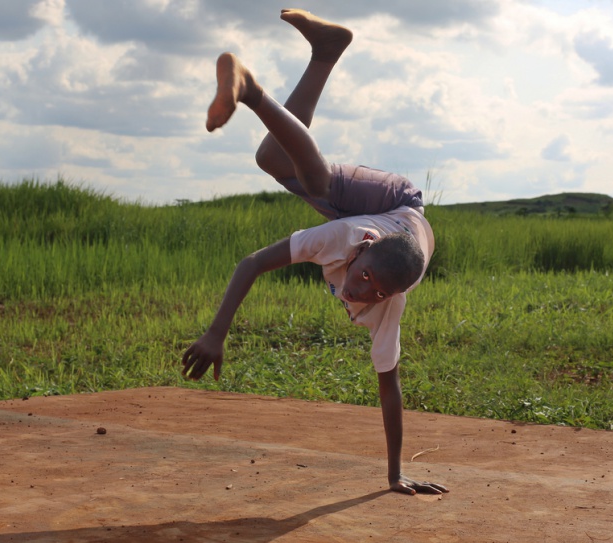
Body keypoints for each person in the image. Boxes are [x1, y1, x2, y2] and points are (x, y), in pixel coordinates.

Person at [182, 9, 448, 497]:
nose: (358, 289)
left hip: (402, 236)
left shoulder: (387, 302)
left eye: (374, 290)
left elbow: (389, 385)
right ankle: (250, 89)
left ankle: (326, 52)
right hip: (398, 203)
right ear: (363, 251)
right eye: (365, 277)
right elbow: (253, 263)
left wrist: (394, 475)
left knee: (271, 159)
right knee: (317, 179)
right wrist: (216, 332)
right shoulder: (342, 239)